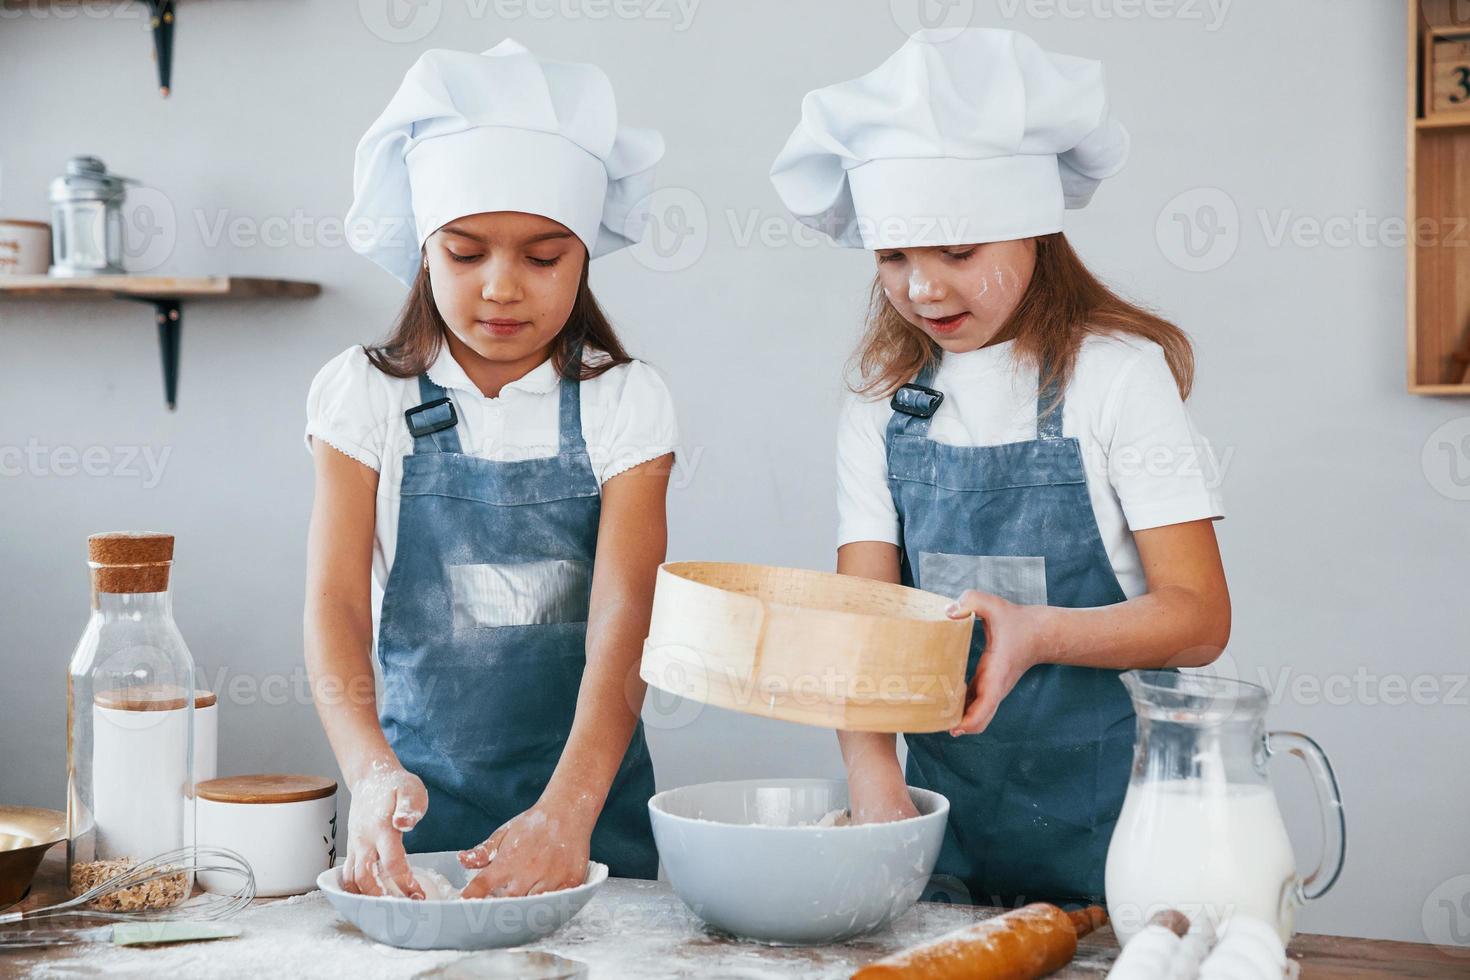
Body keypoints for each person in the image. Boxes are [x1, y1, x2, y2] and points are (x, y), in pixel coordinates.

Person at [770, 28, 1231, 907]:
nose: (925, 290)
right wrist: (878, 792)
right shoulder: (883, 401)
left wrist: (1041, 632)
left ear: (1034, 233)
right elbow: (863, 629)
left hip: (1125, 832)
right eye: (895, 256)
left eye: (960, 252)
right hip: (950, 833)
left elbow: (1200, 619)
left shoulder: (1115, 377)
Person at [303, 40, 676, 900]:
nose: (503, 288)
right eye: (466, 254)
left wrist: (568, 812)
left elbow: (628, 621)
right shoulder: (364, 395)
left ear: (584, 257)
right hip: (413, 816)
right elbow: (333, 606)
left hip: (592, 820)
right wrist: (368, 776)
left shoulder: (627, 403)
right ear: (422, 249)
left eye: (543, 258)